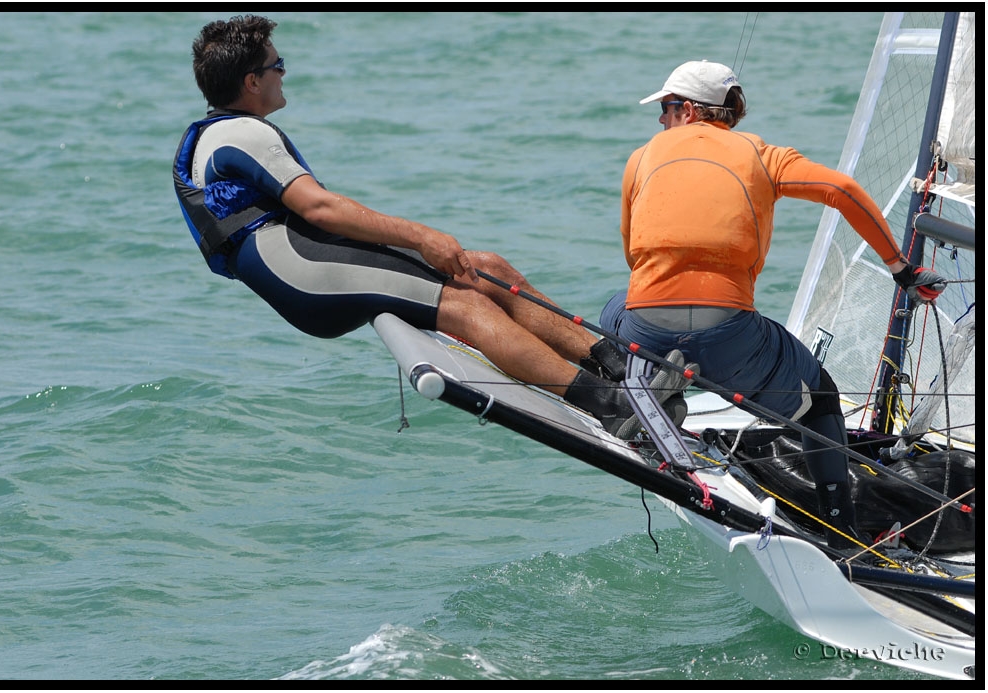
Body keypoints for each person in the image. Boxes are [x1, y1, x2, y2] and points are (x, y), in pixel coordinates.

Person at [172, 14, 639, 436]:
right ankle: (611, 404)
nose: (283, 72)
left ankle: (612, 363)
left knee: (484, 267)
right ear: (252, 81)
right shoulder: (242, 132)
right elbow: (320, 209)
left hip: (302, 264)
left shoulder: (215, 135)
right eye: (277, 65)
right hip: (301, 270)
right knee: (464, 304)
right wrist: (422, 235)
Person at [599, 60, 946, 548]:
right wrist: (901, 269)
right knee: (820, 401)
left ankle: (646, 384)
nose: (661, 119)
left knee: (614, 308)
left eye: (667, 107)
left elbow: (632, 250)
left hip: (647, 325)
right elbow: (843, 190)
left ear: (692, 111)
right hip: (730, 332)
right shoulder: (761, 154)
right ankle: (839, 527)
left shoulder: (640, 158)